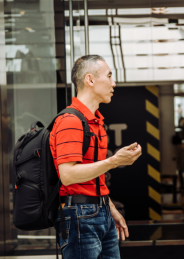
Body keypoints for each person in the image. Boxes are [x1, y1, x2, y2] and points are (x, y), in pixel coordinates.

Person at [50, 55, 142, 259]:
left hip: (99, 211)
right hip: (79, 215)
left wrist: (109, 208)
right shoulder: (70, 121)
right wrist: (114, 161)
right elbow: (68, 175)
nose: (113, 83)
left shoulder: (95, 122)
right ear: (90, 80)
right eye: (109, 76)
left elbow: (94, 177)